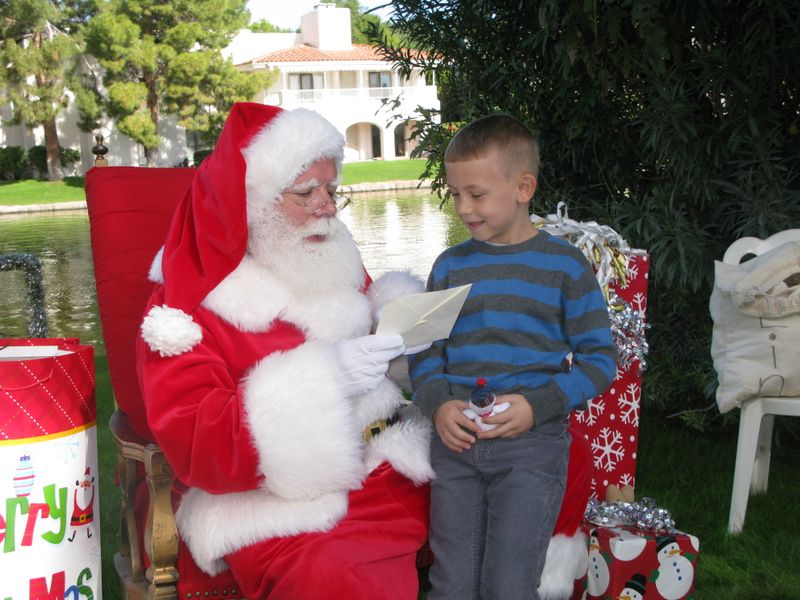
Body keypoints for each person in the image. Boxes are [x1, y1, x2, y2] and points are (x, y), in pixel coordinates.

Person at [136, 102, 435, 599]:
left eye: (332, 190)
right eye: (305, 193)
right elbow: (198, 441)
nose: (327, 206)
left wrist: (402, 337)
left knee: (513, 486)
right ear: (250, 205)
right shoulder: (182, 308)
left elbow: (379, 354)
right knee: (337, 577)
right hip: (280, 503)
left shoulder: (328, 252)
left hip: (387, 464)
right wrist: (327, 381)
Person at [409, 114, 617, 599]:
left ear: (523, 187)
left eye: (476, 194)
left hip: (531, 449)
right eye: (455, 193)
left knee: (510, 582)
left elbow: (598, 359)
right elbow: (424, 351)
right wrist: (438, 404)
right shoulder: (448, 266)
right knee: (451, 581)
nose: (463, 207)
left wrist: (538, 406)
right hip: (456, 449)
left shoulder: (565, 267)